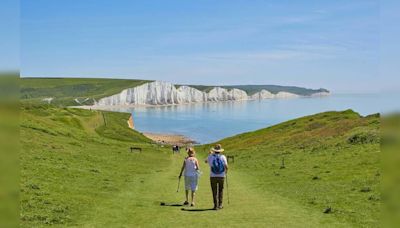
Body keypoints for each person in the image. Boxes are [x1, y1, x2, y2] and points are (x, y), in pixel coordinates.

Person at [206, 144, 228, 210]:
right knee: (220, 190)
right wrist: (226, 172)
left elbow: (205, 161)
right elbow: (226, 166)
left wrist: (210, 154)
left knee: (214, 190)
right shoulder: (223, 157)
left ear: (214, 150)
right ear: (220, 151)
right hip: (221, 176)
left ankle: (215, 206)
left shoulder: (210, 156)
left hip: (213, 176)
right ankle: (220, 205)